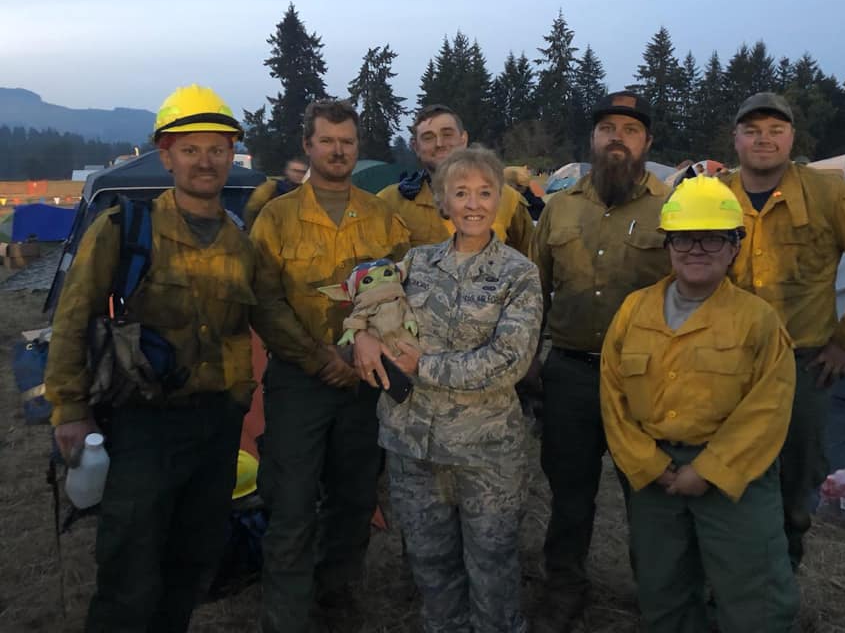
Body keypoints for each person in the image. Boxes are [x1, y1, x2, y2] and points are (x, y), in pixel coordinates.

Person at [44, 84, 256, 631]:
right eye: (191, 149)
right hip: (143, 425)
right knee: (129, 574)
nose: (205, 161)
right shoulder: (123, 229)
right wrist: (69, 410)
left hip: (216, 426)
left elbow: (259, 321)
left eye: (216, 148)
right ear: (165, 155)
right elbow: (71, 320)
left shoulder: (239, 241)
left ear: (231, 154)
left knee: (191, 564)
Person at [355, 146, 543, 633]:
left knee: (492, 565)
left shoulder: (519, 274)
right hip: (413, 446)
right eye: (461, 193)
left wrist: (424, 365)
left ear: (500, 200)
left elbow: (510, 361)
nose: (474, 203)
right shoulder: (415, 263)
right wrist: (360, 337)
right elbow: (368, 304)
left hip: (485, 452)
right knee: (431, 564)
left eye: (485, 192)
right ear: (443, 202)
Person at [600, 176, 799, 633]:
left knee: (754, 596)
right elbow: (612, 396)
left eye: (713, 238)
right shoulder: (635, 310)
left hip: (735, 477)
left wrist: (708, 471)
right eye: (686, 238)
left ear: (734, 247)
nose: (697, 249)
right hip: (654, 476)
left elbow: (768, 410)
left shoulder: (757, 321)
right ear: (669, 245)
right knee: (662, 588)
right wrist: (648, 465)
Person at [250, 99, 410, 633]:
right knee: (292, 504)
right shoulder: (276, 218)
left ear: (357, 146)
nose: (337, 150)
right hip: (299, 381)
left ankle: (336, 596)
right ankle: (286, 616)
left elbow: (399, 290)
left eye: (347, 141)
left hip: (366, 383)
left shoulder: (384, 217)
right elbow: (265, 303)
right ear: (308, 145)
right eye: (327, 140)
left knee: (355, 496)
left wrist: (366, 347)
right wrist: (321, 359)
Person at [723, 91, 845, 568]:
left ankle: (780, 576)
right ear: (735, 139)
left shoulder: (829, 194)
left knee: (794, 477)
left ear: (792, 138)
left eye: (775, 131)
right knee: (724, 469)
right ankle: (725, 574)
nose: (764, 140)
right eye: (752, 131)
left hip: (801, 365)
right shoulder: (713, 194)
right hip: (724, 363)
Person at [530, 91, 673, 631]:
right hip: (569, 373)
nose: (619, 137)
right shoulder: (561, 207)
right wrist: (529, 361)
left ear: (647, 142)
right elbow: (533, 292)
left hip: (645, 377)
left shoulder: (670, 208)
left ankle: (659, 596)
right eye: (608, 127)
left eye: (630, 130)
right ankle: (564, 587)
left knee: (649, 496)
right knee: (569, 493)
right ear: (593, 139)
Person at [378, 104, 534, 255]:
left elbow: (530, 260)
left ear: (463, 139)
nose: (439, 144)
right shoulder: (389, 203)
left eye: (447, 134)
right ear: (416, 147)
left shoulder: (507, 198)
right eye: (428, 137)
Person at [242, 155, 308, 229]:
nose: (298, 175)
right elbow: (252, 209)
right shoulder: (271, 187)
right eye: (295, 171)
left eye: (302, 172)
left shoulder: (307, 192)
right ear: (287, 171)